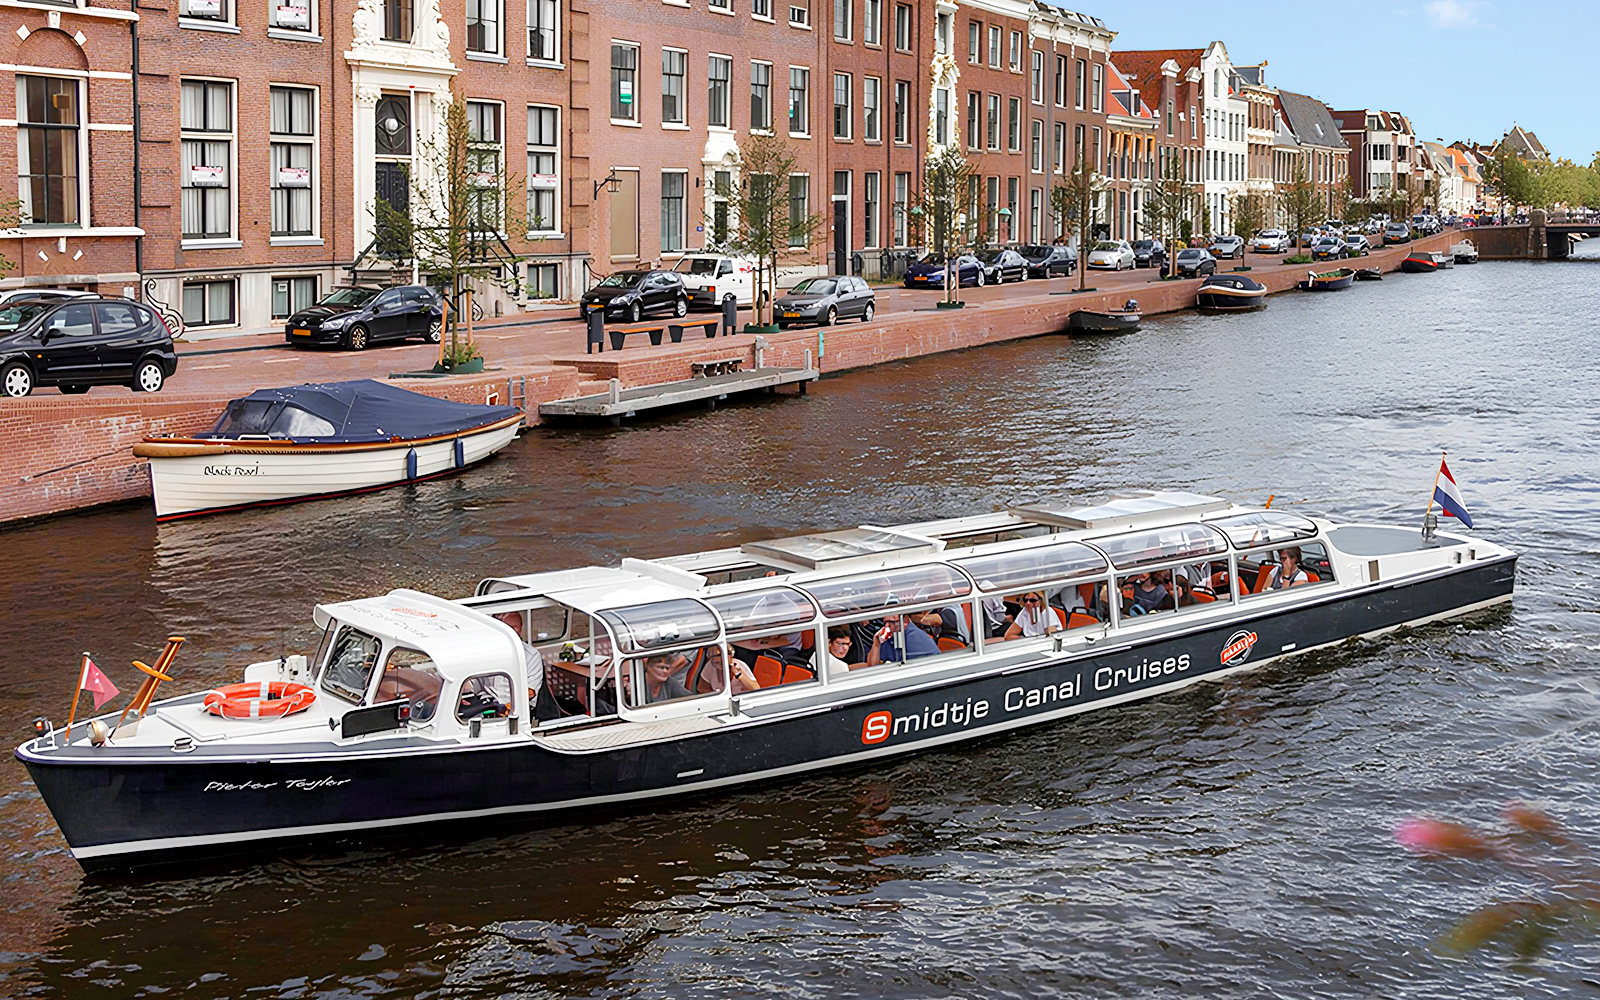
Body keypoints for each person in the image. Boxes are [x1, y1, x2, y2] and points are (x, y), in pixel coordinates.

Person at [864, 611, 941, 667]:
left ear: (905, 621)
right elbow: (872, 665)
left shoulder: (918, 639)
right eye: (885, 622)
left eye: (891, 622)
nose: (887, 626)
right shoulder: (889, 637)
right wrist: (876, 642)